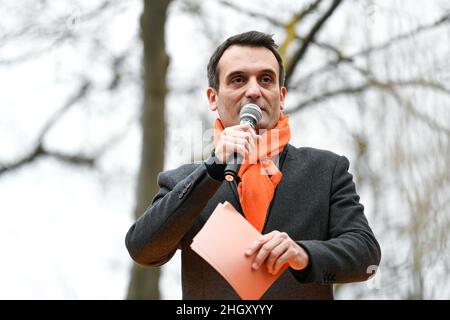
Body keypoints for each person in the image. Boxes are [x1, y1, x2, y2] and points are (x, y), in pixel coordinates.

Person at [125, 31, 381, 299]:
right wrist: (212, 170)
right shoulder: (183, 182)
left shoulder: (327, 170)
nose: (253, 91)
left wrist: (304, 254)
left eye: (266, 79)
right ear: (213, 98)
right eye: (238, 80)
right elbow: (142, 249)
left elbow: (366, 256)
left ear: (281, 96)